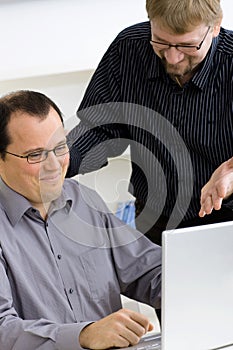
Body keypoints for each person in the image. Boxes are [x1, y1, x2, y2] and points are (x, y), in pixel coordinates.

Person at [0, 90, 162, 350]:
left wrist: (200, 280)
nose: (54, 165)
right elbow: (2, 329)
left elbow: (147, 271)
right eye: (35, 154)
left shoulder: (85, 201)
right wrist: (84, 335)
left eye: (60, 148)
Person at [66, 0, 233, 246]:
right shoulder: (128, 48)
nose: (173, 58)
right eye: (161, 42)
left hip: (225, 220)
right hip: (154, 220)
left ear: (215, 26)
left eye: (187, 45)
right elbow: (99, 128)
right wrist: (61, 157)